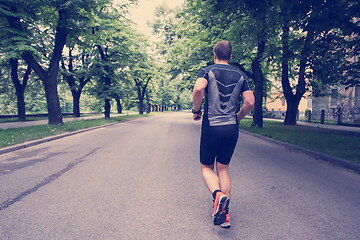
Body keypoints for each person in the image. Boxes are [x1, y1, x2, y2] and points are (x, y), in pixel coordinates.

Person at [192, 40, 255, 228]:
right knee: (223, 169)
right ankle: (225, 216)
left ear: (214, 54)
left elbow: (198, 88)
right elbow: (250, 101)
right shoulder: (241, 75)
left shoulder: (206, 70)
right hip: (231, 128)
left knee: (206, 168)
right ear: (230, 56)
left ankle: (217, 196)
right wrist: (238, 117)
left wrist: (196, 111)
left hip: (212, 126)